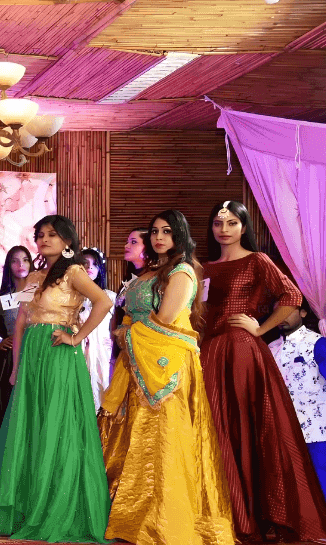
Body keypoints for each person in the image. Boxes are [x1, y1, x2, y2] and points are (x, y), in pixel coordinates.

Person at [202, 201, 326, 540]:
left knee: (246, 428)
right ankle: (223, 512)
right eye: (218, 223)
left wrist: (260, 329)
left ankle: (256, 513)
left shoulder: (257, 260)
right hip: (209, 352)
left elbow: (291, 295)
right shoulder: (204, 267)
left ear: (244, 227)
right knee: (214, 428)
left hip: (242, 352)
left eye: (232, 223)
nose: (224, 229)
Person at [99, 210, 234, 544]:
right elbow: (132, 314)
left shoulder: (182, 271)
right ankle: (133, 520)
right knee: (136, 440)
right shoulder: (150, 272)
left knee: (165, 441)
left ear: (180, 236)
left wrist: (125, 333)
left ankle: (163, 523)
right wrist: (126, 332)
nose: (159, 237)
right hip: (138, 362)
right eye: (155, 231)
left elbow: (166, 319)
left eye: (167, 232)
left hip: (165, 366)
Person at [0, 214, 113, 542]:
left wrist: (76, 337)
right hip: (32, 355)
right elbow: (21, 321)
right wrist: (15, 366)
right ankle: (28, 505)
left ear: (67, 240)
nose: (44, 239)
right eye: (40, 235)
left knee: (57, 423)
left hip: (58, 353)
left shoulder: (74, 272)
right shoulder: (33, 277)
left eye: (52, 234)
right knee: (31, 424)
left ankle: (58, 506)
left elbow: (103, 301)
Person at [268, 299, 326, 513]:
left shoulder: (319, 344)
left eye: (288, 311)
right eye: (277, 312)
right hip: (284, 432)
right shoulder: (270, 349)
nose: (282, 316)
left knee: (323, 489)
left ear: (302, 313)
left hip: (320, 431)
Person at [0, 245, 32, 472]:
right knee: (10, 414)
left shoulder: (41, 293)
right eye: (15, 260)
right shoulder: (3, 299)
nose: (20, 264)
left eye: (25, 259)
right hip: (10, 363)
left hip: (36, 358)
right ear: (8, 266)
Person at [80, 248, 116, 410]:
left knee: (103, 392)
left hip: (102, 351)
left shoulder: (110, 296)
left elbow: (118, 324)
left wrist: (114, 341)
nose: (90, 267)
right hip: (78, 349)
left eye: (94, 264)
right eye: (85, 263)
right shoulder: (71, 297)